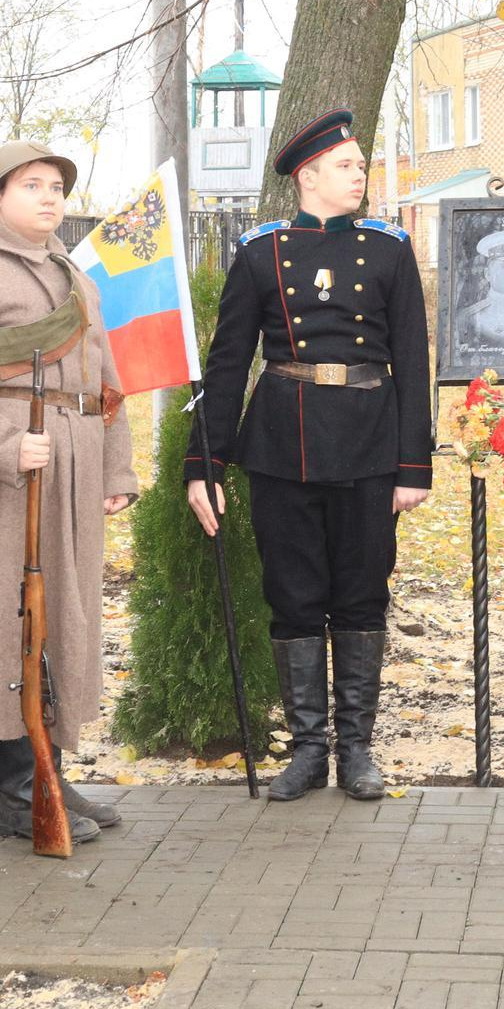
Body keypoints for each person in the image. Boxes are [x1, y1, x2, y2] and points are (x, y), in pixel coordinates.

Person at [185, 110, 434, 803]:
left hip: (367, 441)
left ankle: (356, 750)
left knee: (361, 593)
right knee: (292, 595)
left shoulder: (388, 249)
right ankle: (306, 751)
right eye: (348, 164)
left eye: (360, 164)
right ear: (309, 175)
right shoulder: (261, 252)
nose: (360, 173)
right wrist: (204, 462)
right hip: (282, 443)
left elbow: (411, 359)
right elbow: (229, 361)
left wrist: (414, 466)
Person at [0, 141, 138, 845]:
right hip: (7, 468)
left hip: (73, 457)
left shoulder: (76, 276)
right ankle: (17, 785)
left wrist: (116, 469)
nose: (50, 198)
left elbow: (106, 381)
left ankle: (46, 769)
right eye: (31, 185)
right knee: (9, 616)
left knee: (61, 617)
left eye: (56, 187)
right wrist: (1, 445)